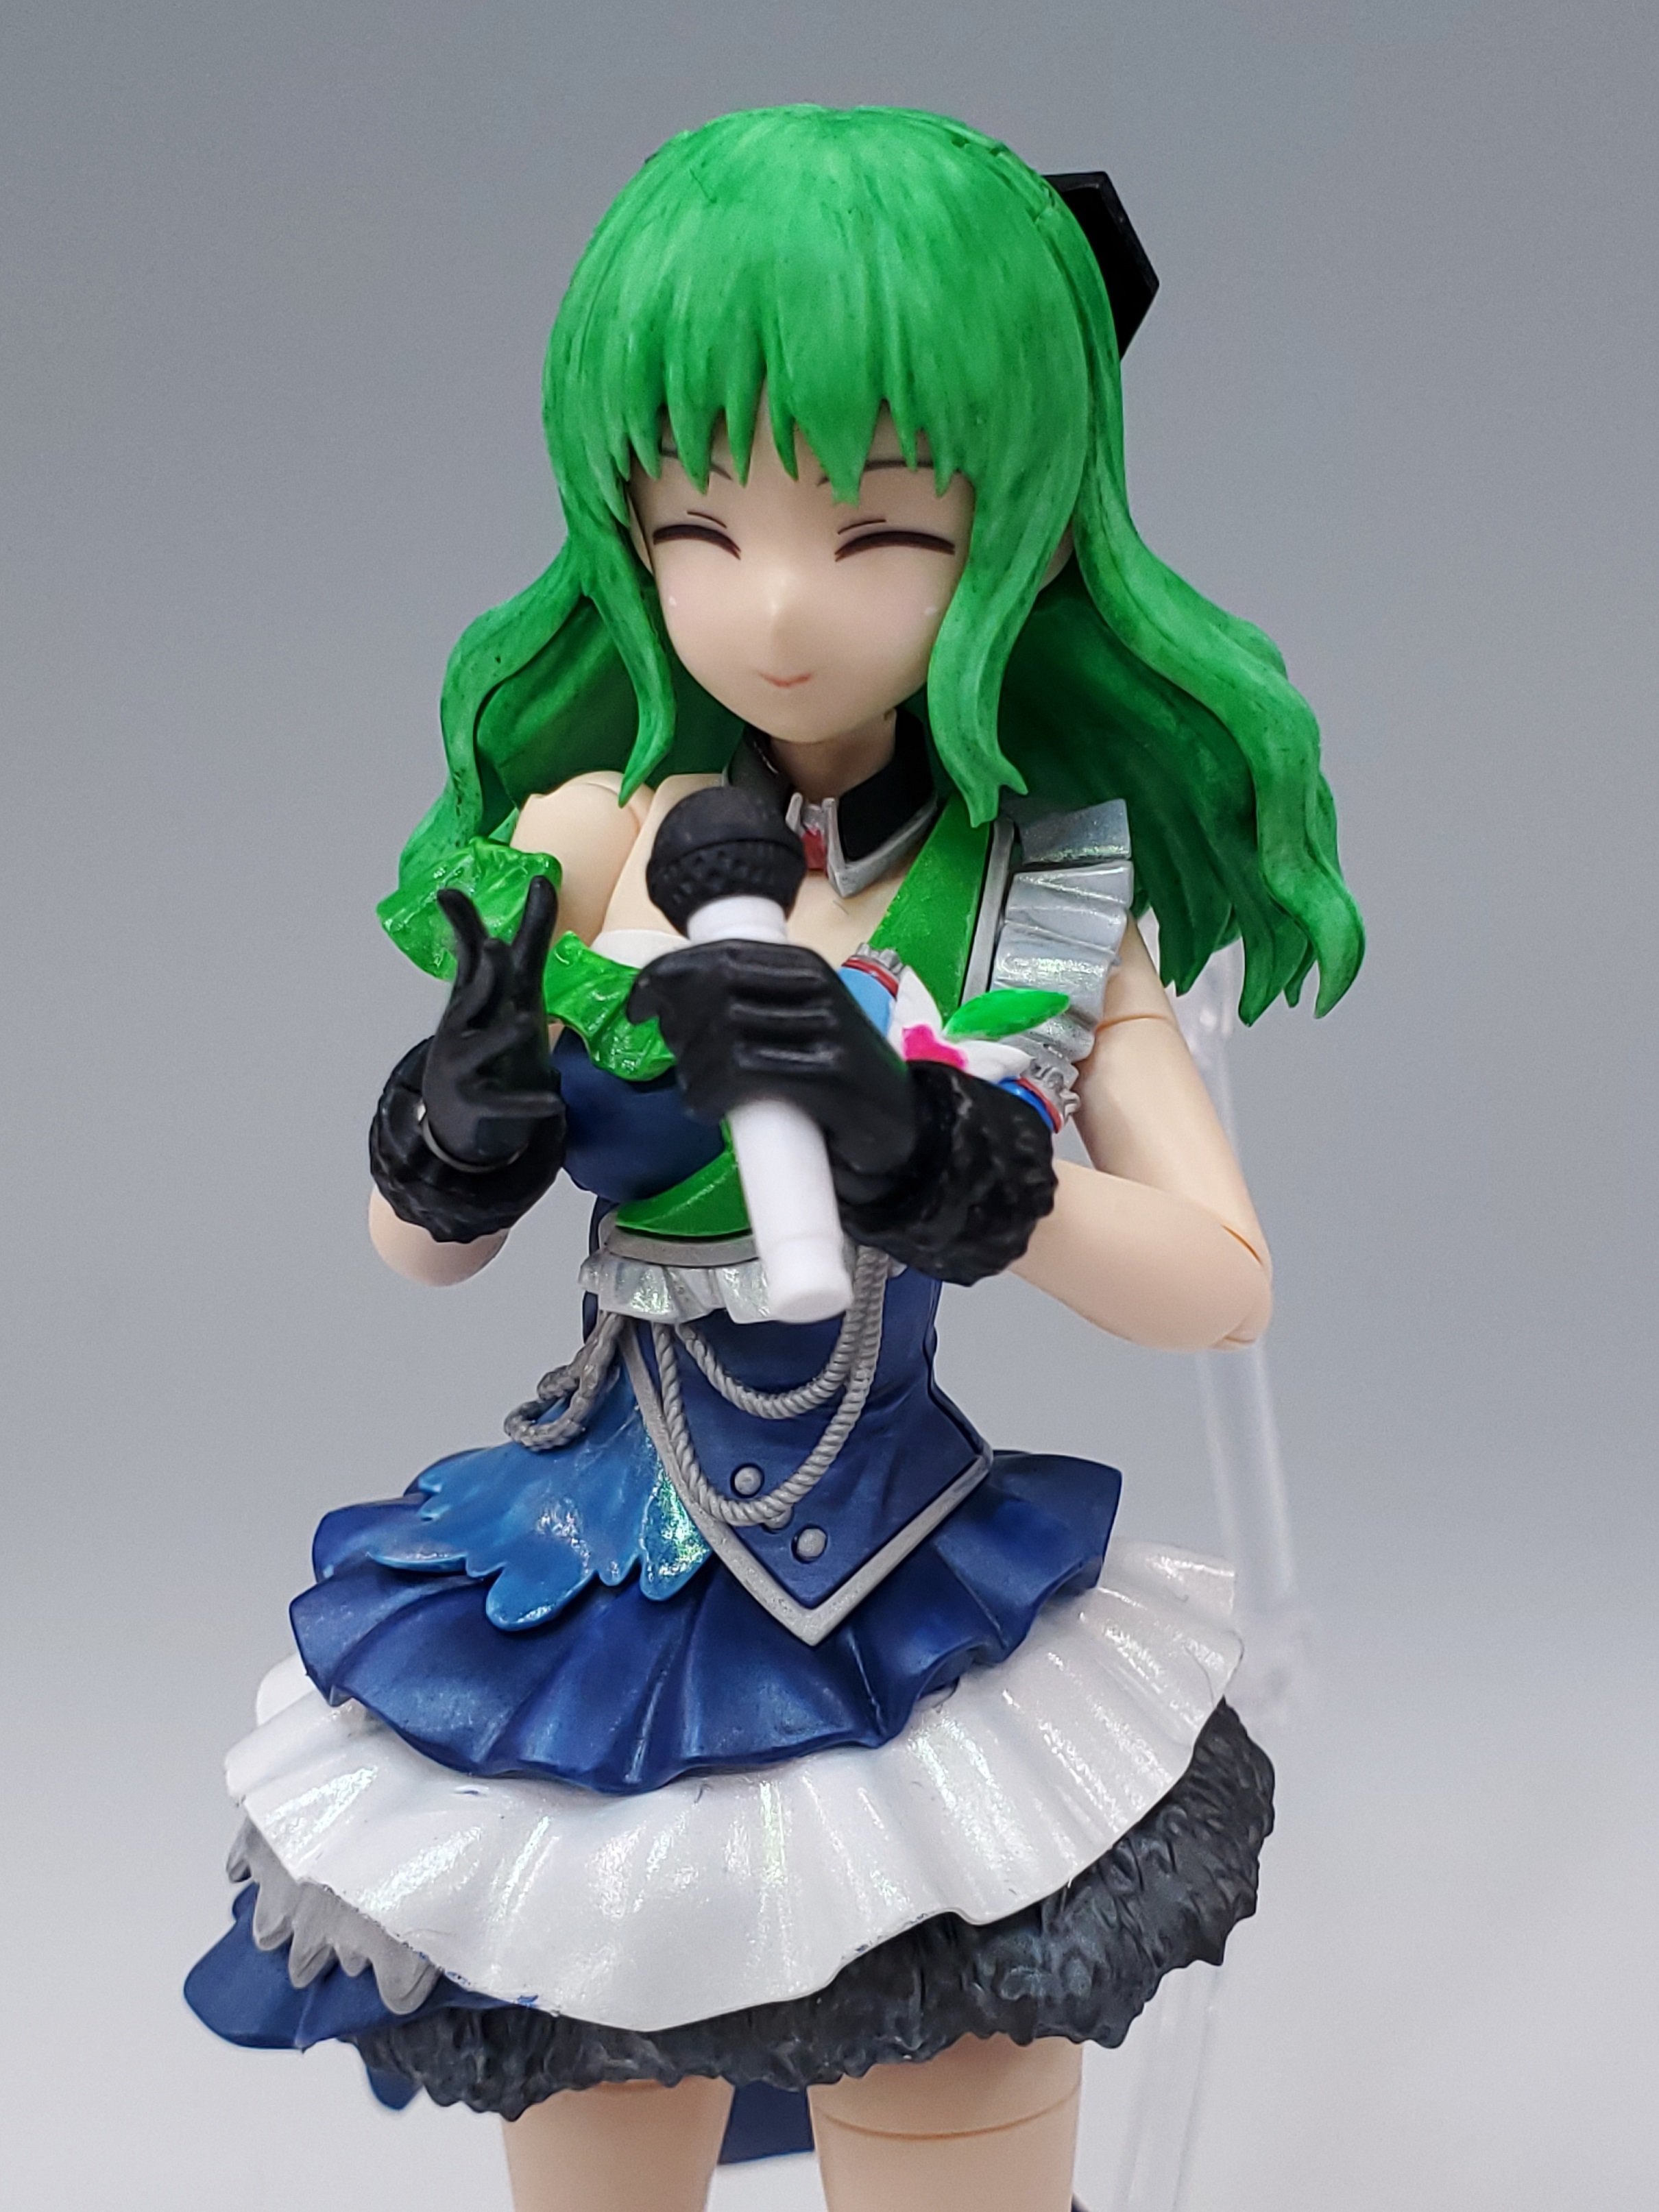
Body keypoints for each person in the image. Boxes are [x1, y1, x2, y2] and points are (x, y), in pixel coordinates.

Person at [186, 104, 1363, 2212]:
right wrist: (457, 1130)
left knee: (949, 2093)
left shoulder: (1036, 889)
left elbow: (1220, 1278)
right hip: (579, 1596)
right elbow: (410, 1245)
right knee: (594, 2103)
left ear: (1013, 525)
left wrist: (945, 1155)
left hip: (902, 1593)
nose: (781, 605)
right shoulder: (584, 834)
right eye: (697, 526)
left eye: (878, 527)